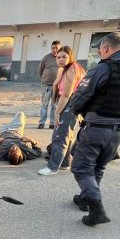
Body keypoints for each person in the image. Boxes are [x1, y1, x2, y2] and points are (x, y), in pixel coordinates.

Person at [69, 32, 120, 226]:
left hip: (96, 128)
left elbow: (81, 96)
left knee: (81, 168)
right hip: (119, 129)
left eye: (99, 50)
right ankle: (86, 198)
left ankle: (97, 210)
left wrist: (74, 109)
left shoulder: (103, 69)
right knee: (98, 166)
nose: (99, 53)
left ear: (106, 48)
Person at [38, 45, 86, 176]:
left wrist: (57, 112)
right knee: (67, 135)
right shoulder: (71, 68)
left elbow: (66, 95)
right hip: (74, 105)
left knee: (60, 136)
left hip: (69, 104)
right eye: (58, 57)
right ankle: (65, 162)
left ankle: (52, 167)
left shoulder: (72, 70)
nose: (60, 59)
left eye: (64, 56)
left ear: (71, 56)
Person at [37, 40, 60, 129]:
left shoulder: (60, 58)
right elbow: (40, 70)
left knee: (54, 106)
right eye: (53, 48)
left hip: (56, 86)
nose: (54, 50)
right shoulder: (46, 58)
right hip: (46, 85)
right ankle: (41, 123)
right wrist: (43, 79)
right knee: (44, 105)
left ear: (59, 48)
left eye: (56, 48)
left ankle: (52, 123)